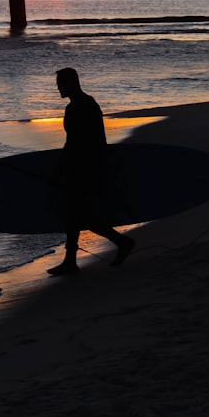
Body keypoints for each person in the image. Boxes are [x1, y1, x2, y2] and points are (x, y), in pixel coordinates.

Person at [47, 68, 135, 275]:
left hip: (86, 168)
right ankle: (70, 261)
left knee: (81, 215)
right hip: (88, 165)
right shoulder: (87, 103)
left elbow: (73, 143)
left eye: (60, 83)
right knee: (74, 214)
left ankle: (122, 242)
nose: (57, 87)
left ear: (70, 83)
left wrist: (58, 171)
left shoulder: (79, 107)